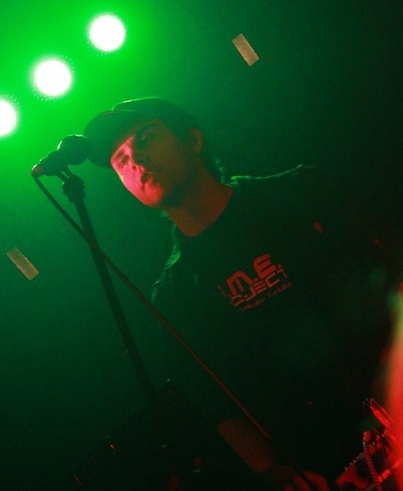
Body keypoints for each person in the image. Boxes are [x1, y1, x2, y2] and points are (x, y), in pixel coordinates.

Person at [84, 97, 392, 489]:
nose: (136, 160)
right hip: (335, 463)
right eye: (121, 160)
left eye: (146, 138)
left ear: (193, 140)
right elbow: (220, 408)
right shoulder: (174, 297)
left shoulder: (299, 191)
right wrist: (276, 472)